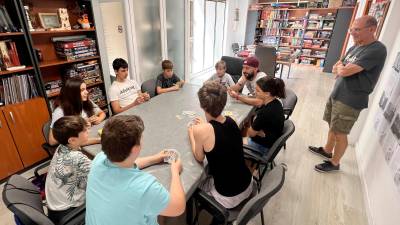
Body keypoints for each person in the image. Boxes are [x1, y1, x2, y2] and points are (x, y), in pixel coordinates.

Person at [309, 16, 387, 173]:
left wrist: (343, 69)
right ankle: (327, 149)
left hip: (351, 99)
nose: (352, 33)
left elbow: (344, 70)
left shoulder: (377, 49)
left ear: (371, 29)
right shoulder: (356, 46)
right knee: (332, 124)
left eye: (357, 29)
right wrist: (342, 69)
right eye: (351, 29)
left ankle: (335, 163)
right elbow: (337, 66)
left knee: (340, 132)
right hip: (338, 93)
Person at [86, 115, 185, 225]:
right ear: (135, 148)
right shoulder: (145, 188)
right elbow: (178, 207)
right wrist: (175, 171)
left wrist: (155, 158)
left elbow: (125, 163)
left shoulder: (99, 159)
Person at [188, 82, 253, 223]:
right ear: (224, 103)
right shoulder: (231, 121)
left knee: (193, 186)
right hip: (248, 184)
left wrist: (192, 133)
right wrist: (202, 127)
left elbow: (199, 157)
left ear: (202, 106)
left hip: (228, 197)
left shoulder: (201, 130)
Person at [45, 116, 91, 224]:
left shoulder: (61, 147)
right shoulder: (77, 158)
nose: (88, 131)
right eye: (85, 130)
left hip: (54, 210)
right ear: (72, 140)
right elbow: (104, 172)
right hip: (69, 214)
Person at [49, 77, 105, 146]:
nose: (87, 92)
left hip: (89, 136)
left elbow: (102, 113)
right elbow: (52, 141)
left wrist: (98, 119)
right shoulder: (59, 112)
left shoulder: (86, 101)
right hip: (76, 145)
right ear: (72, 94)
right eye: (82, 90)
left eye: (86, 89)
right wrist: (79, 126)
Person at [246, 76, 286, 155]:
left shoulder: (265, 112)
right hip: (270, 142)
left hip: (261, 147)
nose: (254, 92)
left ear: (267, 94)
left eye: (258, 90)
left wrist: (249, 126)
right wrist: (256, 130)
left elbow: (250, 133)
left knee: (232, 141)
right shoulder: (276, 102)